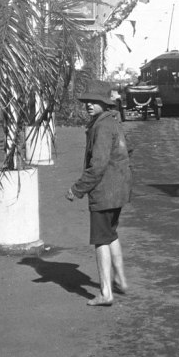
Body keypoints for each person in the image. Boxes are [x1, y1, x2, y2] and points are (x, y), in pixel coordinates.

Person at [66, 79, 132, 307]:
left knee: (101, 240)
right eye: (87, 102)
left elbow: (98, 165)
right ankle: (121, 281)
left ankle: (106, 292)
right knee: (111, 234)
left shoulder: (101, 126)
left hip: (105, 191)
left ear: (104, 103)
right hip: (119, 189)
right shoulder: (113, 121)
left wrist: (78, 189)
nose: (88, 105)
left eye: (94, 102)